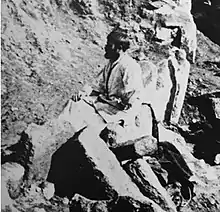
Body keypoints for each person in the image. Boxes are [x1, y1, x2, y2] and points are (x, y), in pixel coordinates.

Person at [60, 28, 152, 142]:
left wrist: (123, 115)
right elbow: (97, 85)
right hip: (106, 105)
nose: (106, 47)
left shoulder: (129, 66)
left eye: (109, 45)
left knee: (92, 126)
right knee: (74, 104)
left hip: (118, 112)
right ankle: (59, 133)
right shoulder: (111, 63)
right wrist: (82, 93)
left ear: (119, 48)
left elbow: (135, 98)